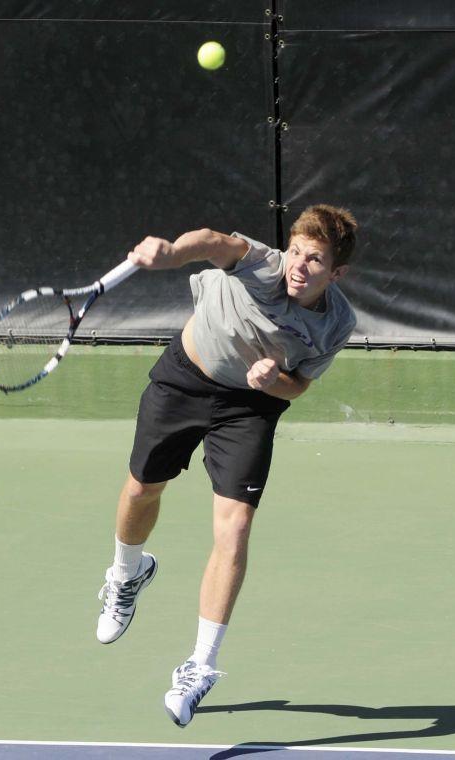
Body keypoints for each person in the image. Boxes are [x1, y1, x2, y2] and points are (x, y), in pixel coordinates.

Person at [96, 204, 357, 727]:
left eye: (315, 261)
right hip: (186, 377)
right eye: (298, 252)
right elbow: (215, 241)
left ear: (337, 273)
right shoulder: (263, 263)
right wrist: (171, 253)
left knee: (234, 528)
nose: (299, 266)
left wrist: (272, 382)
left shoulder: (337, 323)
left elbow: (298, 385)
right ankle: (127, 574)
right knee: (142, 490)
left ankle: (200, 666)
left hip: (250, 407)